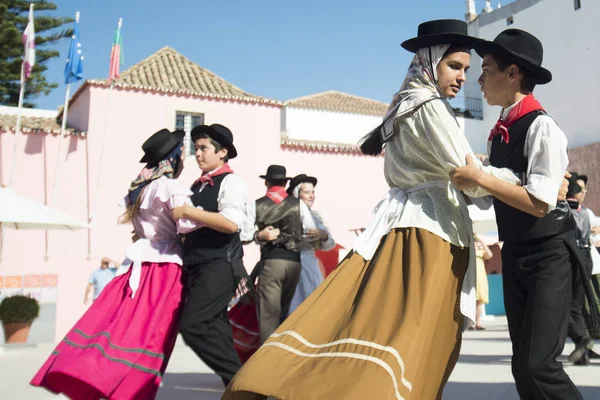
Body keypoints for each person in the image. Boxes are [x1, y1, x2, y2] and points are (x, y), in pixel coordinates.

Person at [222, 19, 523, 400]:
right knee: (416, 337)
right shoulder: (429, 106)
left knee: (380, 329)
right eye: (455, 66)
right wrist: (523, 182)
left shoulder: (403, 104)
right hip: (430, 231)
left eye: (466, 69)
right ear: (430, 62)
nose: (463, 77)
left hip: (406, 227)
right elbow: (468, 173)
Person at [451, 29, 583, 399]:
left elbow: (540, 203)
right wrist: (474, 181)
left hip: (548, 253)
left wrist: (481, 177)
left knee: (539, 365)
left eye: (487, 69)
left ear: (513, 73)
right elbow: (502, 192)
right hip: (516, 252)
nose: (478, 79)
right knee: (522, 365)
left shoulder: (542, 127)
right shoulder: (499, 133)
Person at [31, 128, 203, 399]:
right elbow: (186, 226)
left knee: (118, 328)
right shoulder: (170, 187)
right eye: (180, 154)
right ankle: (130, 391)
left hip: (138, 265)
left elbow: (139, 231)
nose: (183, 159)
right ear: (171, 159)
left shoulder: (140, 188)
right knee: (154, 335)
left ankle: (95, 376)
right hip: (164, 268)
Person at [170, 123, 250, 387]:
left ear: (222, 152)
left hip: (219, 264)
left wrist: (189, 212)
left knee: (194, 325)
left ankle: (244, 382)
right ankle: (240, 388)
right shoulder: (198, 185)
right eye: (197, 149)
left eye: (204, 148)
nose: (198, 154)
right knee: (217, 329)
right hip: (197, 265)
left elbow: (231, 223)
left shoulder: (231, 181)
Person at [246, 165, 317, 344]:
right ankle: (281, 354)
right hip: (294, 263)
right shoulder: (298, 204)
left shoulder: (257, 204)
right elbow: (310, 232)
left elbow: (243, 234)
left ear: (267, 182)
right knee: (284, 312)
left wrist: (259, 235)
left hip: (272, 261)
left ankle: (266, 360)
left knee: (268, 315)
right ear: (285, 183)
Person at [286, 174, 335, 315]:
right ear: (297, 194)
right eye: (307, 192)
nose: (312, 195)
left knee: (313, 304)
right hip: (293, 261)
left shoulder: (316, 216)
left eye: (313, 192)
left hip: (310, 264)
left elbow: (329, 244)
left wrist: (323, 235)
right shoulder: (289, 213)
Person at [473, 235, 492, 330]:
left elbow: (489, 255)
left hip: (480, 276)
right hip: (471, 275)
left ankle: (478, 322)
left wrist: (483, 244)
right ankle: (470, 323)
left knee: (479, 300)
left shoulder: (481, 251)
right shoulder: (470, 249)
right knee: (470, 300)